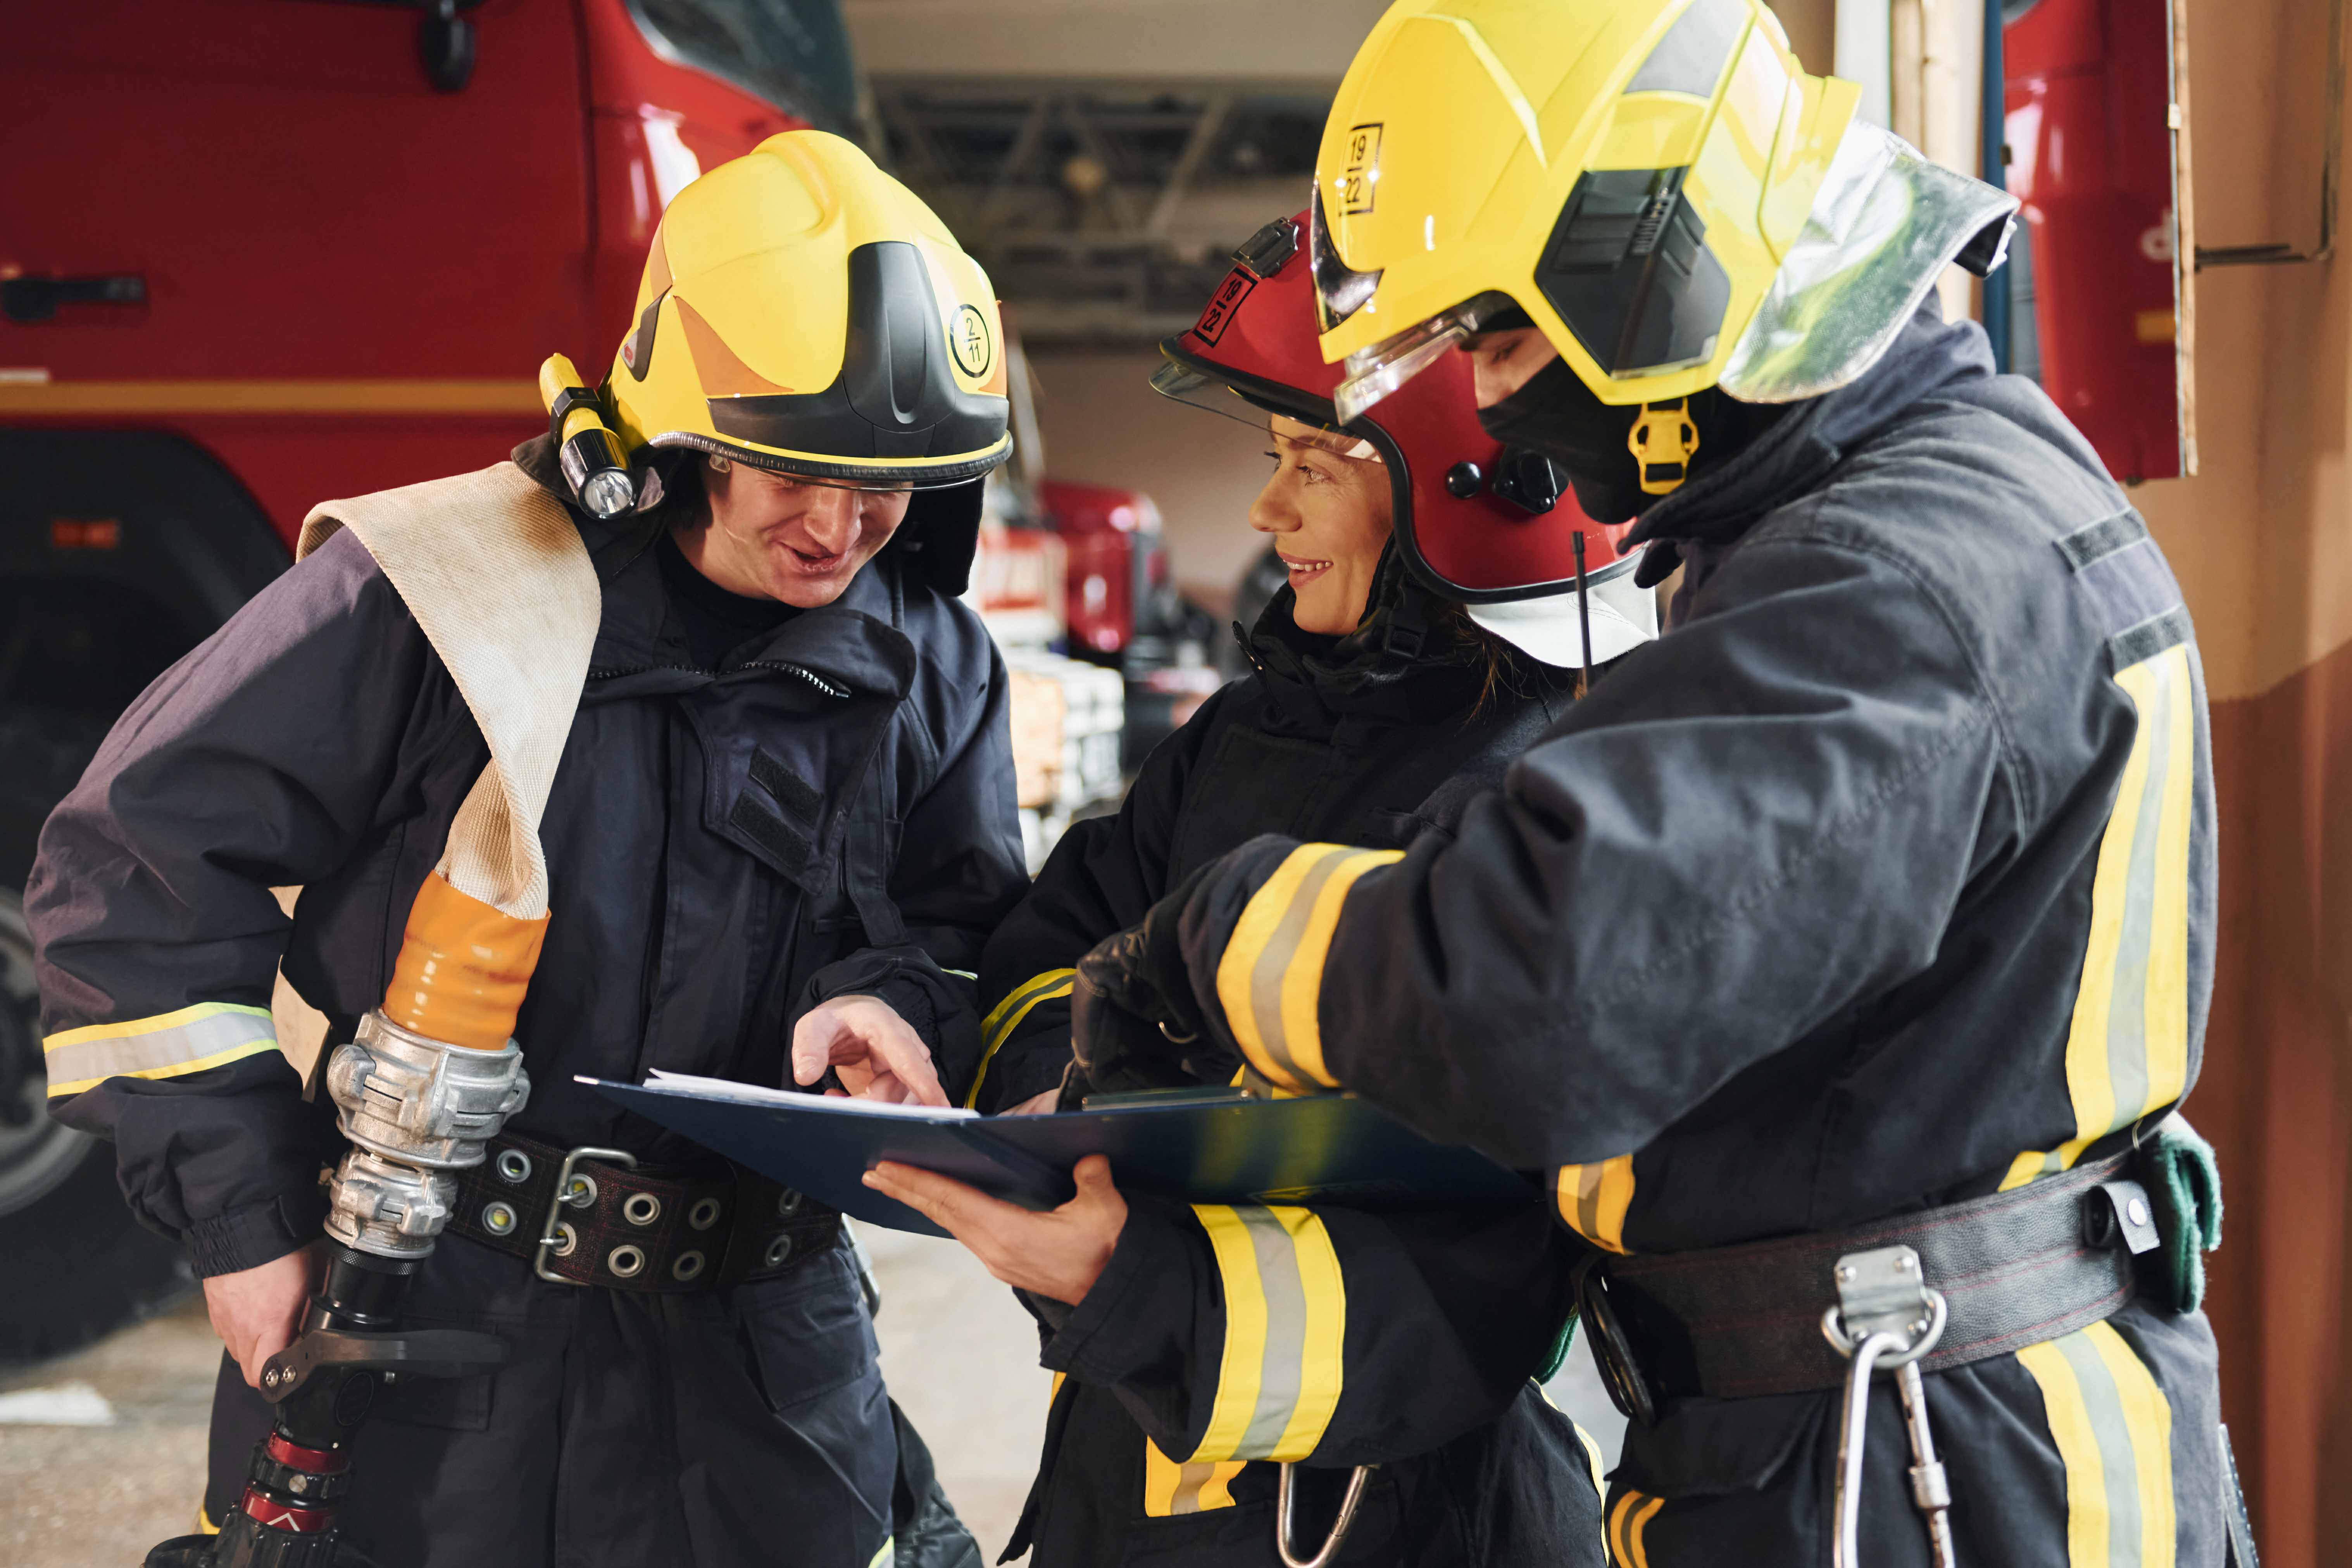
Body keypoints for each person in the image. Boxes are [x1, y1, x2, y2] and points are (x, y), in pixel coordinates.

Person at [1059, 4, 2241, 1566]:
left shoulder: (1888, 582)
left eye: (1492, 339)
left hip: (1925, 1475)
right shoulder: (1906, 513)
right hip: (1873, 1437)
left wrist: (1214, 935)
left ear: (1649, 262)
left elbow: (1534, 992)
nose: (1487, 408)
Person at [29, 132, 1027, 1568]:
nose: (837, 527)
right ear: (677, 431)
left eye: (888, 483)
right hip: (431, 1334)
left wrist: (906, 1000)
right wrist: (243, 1229)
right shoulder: (443, 592)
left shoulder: (933, 665)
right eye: (789, 468)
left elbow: (969, 934)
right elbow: (133, 867)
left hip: (770, 1363)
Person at [863, 212, 1650, 1568]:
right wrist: (1060, 1098)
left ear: (1468, 485)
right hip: (1129, 1477)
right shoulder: (1247, 734)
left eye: (1313, 464)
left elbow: (1485, 1271)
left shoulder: (1552, 804)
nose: (1266, 511)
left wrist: (1136, 1281)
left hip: (1392, 1523)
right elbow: (1051, 948)